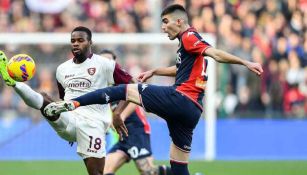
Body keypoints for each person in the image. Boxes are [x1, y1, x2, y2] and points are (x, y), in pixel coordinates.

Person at [44, 4, 263, 175]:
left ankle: (74, 103)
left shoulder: (189, 37)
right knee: (178, 167)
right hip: (192, 111)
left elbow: (214, 54)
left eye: (166, 22)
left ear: (180, 21)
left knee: (125, 89)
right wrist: (156, 71)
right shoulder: (188, 46)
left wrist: (246, 62)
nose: (163, 27)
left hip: (180, 98)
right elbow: (181, 70)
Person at [0, 26, 133, 175]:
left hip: (93, 123)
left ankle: (15, 84)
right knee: (45, 99)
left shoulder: (105, 64)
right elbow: (64, 100)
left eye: (80, 40)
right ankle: (14, 83)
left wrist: (118, 113)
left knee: (96, 173)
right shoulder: (62, 69)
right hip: (70, 118)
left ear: (90, 42)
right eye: (73, 41)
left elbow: (131, 84)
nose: (76, 43)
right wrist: (69, 125)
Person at [99, 49, 172, 175]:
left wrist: (121, 115)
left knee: (148, 172)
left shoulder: (121, 79)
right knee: (103, 171)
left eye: (108, 60)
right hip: (123, 135)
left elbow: (136, 99)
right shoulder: (101, 84)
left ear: (114, 63)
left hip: (136, 129)